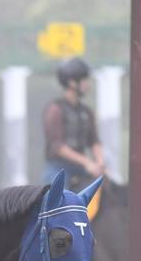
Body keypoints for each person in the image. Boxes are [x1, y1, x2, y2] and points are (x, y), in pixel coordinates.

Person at [42, 57, 105, 190]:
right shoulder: (55, 110)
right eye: (84, 80)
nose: (87, 84)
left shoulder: (86, 112)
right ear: (72, 83)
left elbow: (94, 141)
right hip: (58, 169)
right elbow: (57, 147)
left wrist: (99, 162)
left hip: (82, 168)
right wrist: (87, 162)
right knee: (57, 204)